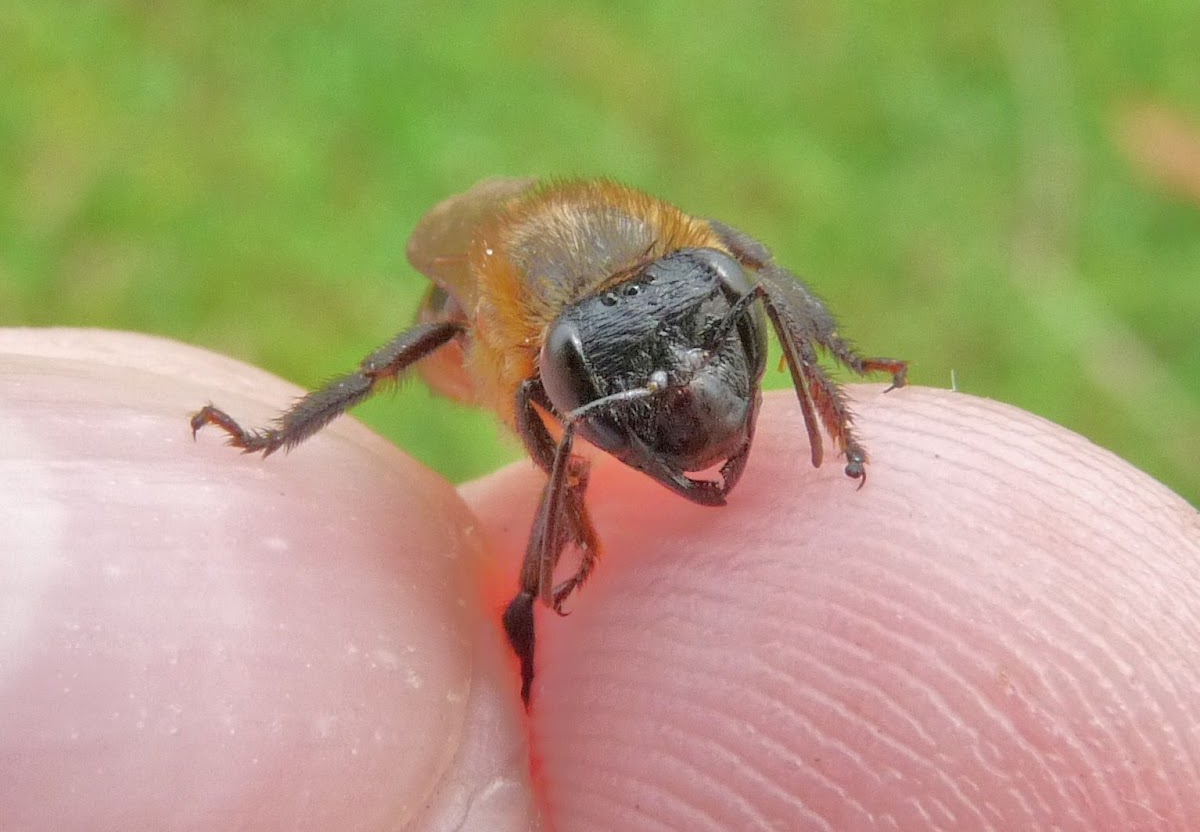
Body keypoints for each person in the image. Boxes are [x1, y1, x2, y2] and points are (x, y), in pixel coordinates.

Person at [3, 328, 1198, 831]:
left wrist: (824, 367)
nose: (693, 391)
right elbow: (542, 404)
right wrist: (570, 517)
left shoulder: (705, 289)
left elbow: (755, 279)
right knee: (544, 432)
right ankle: (306, 455)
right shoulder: (530, 353)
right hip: (527, 320)